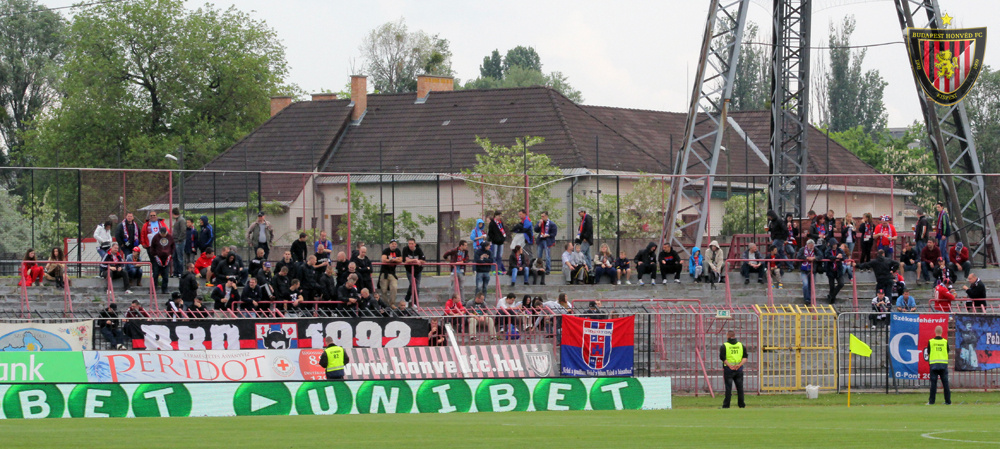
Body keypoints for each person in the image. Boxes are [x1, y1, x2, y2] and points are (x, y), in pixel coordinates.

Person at [923, 325, 951, 405]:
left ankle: (931, 401)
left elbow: (928, 353)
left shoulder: (931, 341)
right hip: (943, 365)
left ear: (935, 332)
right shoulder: (945, 342)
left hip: (934, 365)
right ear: (942, 332)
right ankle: (948, 401)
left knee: (933, 384)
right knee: (945, 384)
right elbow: (947, 352)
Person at [720, 330, 747, 409]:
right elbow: (745, 357)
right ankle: (741, 405)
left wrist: (730, 365)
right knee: (740, 388)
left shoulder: (724, 346)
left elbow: (722, 358)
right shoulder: (741, 345)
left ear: (727, 336)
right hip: (739, 369)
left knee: (728, 388)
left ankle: (726, 405)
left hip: (728, 369)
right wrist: (739, 365)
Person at [149, 225, 175, 295]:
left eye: (164, 234)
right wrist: (154, 254)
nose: (163, 235)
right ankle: (153, 288)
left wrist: (171, 254)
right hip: (157, 258)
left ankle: (165, 288)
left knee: (166, 275)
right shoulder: (156, 237)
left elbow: (173, 246)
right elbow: (152, 247)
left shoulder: (170, 237)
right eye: (161, 234)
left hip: (166, 259)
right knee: (155, 274)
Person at [402, 238, 425, 303]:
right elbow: (405, 260)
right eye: (409, 244)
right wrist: (415, 260)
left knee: (417, 287)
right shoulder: (405, 249)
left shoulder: (418, 250)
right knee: (412, 284)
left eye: (412, 244)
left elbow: (423, 260)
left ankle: (415, 303)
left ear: (415, 244)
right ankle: (406, 300)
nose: (410, 245)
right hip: (409, 270)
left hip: (418, 271)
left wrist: (411, 260)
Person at [379, 239, 403, 303]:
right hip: (384, 273)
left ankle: (392, 303)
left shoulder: (398, 251)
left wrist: (393, 259)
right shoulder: (386, 251)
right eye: (392, 244)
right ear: (390, 245)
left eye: (395, 244)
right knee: (384, 290)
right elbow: (384, 260)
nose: (394, 245)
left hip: (392, 273)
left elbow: (400, 260)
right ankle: (386, 304)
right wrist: (390, 260)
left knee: (394, 288)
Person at [796, 239, 818, 305]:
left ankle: (810, 299)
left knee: (811, 285)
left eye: (812, 246)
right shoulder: (802, 249)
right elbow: (798, 256)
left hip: (812, 269)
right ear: (807, 245)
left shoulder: (815, 250)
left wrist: (814, 258)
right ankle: (806, 299)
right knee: (805, 284)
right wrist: (807, 258)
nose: (811, 247)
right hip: (804, 269)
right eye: (810, 246)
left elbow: (821, 255)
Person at [825, 240, 845, 304]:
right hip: (830, 270)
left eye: (836, 244)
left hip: (838, 270)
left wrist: (841, 257)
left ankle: (831, 296)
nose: (835, 246)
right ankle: (831, 300)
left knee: (841, 283)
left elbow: (844, 256)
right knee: (831, 285)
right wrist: (835, 257)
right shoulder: (828, 250)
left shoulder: (839, 250)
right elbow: (827, 256)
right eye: (834, 244)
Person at [171, 208, 186, 276]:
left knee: (180, 258)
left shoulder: (181, 220)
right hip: (175, 241)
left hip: (179, 241)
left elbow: (183, 231)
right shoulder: (178, 220)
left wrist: (179, 239)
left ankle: (180, 272)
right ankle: (176, 272)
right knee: (175, 257)